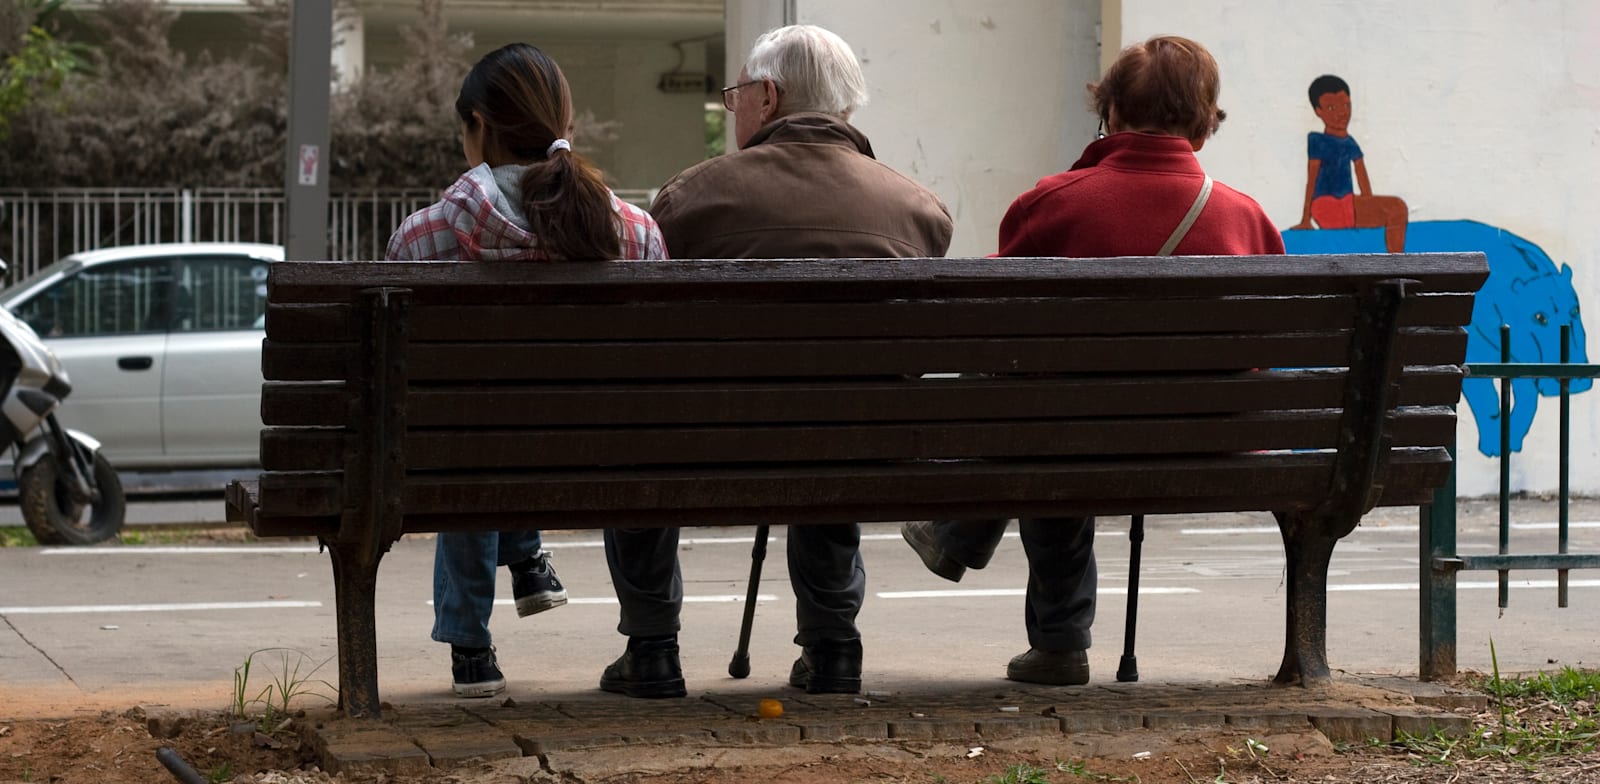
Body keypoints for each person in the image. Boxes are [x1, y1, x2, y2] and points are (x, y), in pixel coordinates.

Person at [900, 35, 1284, 686]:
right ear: (1203, 119)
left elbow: (988, 327)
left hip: (1072, 439)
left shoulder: (1053, 203)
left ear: (1111, 111)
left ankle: (1056, 639)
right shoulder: (1247, 219)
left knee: (1042, 415)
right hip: (1215, 444)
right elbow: (1270, 347)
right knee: (1051, 413)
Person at [599, 23, 953, 699]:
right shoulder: (918, 210)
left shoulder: (689, 199)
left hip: (712, 441)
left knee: (638, 433)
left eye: (735, 98)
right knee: (835, 420)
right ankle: (833, 646)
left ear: (767, 95)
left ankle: (650, 647)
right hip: (863, 446)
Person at [386, 42, 668, 698]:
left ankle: (472, 652)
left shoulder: (424, 239)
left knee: (467, 437)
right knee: (494, 432)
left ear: (477, 127)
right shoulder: (635, 234)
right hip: (607, 461)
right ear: (565, 126)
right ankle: (578, 594)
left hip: (471, 465)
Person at [1289, 74, 1409, 253]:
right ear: (1318, 111)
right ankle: (1397, 264)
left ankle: (1395, 261)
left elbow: (1362, 178)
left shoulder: (1350, 142)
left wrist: (1370, 204)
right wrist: (1306, 219)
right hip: (1327, 206)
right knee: (1397, 208)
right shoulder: (1318, 141)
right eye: (1331, 107)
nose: (1342, 112)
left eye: (1346, 105)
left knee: (1395, 208)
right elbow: (1311, 179)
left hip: (1347, 204)